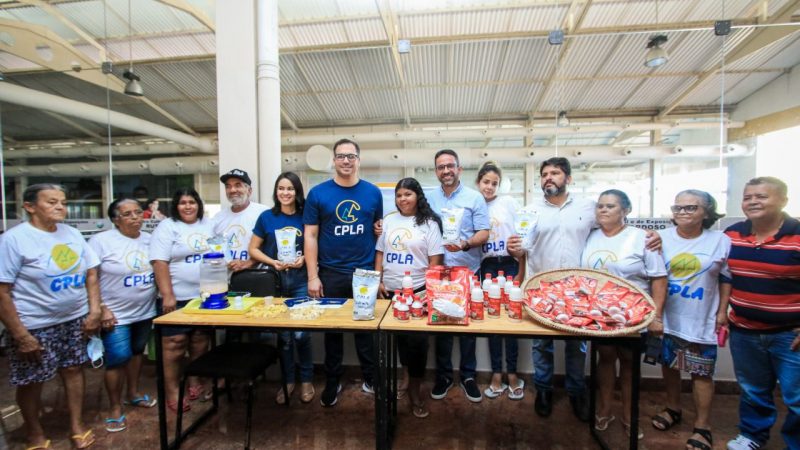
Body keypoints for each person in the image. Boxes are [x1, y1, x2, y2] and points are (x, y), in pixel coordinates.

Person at [0, 184, 103, 449]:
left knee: (73, 370)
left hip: (74, 319)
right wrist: (21, 335)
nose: (60, 207)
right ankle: (34, 432)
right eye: (52, 202)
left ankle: (76, 425)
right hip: (34, 324)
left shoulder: (72, 233)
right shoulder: (15, 239)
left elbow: (91, 273)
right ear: (30, 207)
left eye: (63, 202)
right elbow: (2, 291)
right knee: (33, 379)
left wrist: (94, 311)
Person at [507, 157, 595, 421]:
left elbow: (611, 231)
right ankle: (543, 390)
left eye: (555, 173)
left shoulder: (587, 207)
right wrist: (515, 250)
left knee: (577, 345)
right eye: (544, 174)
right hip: (541, 287)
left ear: (568, 178)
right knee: (541, 344)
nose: (548, 177)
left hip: (578, 290)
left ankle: (576, 391)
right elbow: (523, 249)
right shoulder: (529, 210)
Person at [581, 189, 667, 440]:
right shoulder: (591, 237)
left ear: (626, 210)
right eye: (600, 206)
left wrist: (656, 316)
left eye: (610, 206)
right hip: (598, 314)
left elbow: (659, 278)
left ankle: (630, 417)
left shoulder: (643, 238)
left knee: (630, 365)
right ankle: (604, 410)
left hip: (633, 314)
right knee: (605, 360)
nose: (603, 210)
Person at [304, 138, 383, 407]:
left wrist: (377, 272)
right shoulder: (318, 193)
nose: (346, 161)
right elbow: (311, 235)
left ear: (359, 160)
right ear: (334, 161)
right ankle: (333, 380)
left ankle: (372, 378)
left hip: (364, 273)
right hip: (330, 273)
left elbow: (378, 231)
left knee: (366, 332)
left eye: (351, 156)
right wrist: (312, 276)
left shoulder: (373, 193)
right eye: (341, 156)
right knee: (332, 332)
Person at [724, 177, 800, 450]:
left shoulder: (797, 234)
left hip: (790, 334)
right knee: (753, 390)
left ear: (783, 201)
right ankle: (753, 436)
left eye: (762, 196)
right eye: (748, 197)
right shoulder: (733, 234)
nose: (753, 201)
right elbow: (726, 276)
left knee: (796, 397)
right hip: (744, 329)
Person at [651, 190, 731, 450]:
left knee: (701, 372)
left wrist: (722, 312)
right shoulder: (660, 237)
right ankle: (673, 408)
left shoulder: (719, 241)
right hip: (668, 315)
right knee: (670, 366)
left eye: (690, 208)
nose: (682, 213)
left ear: (706, 212)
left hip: (701, 317)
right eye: (678, 208)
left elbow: (726, 279)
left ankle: (703, 426)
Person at [375, 177, 444, 418]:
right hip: (390, 293)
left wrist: (428, 290)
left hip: (417, 293)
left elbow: (436, 260)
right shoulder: (390, 220)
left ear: (418, 196)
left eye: (408, 194)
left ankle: (415, 391)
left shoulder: (429, 224)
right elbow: (380, 251)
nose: (403, 199)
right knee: (398, 342)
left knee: (418, 345)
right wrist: (378, 280)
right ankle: (405, 380)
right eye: (399, 195)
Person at [89, 199, 159, 433]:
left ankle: (133, 393)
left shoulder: (150, 240)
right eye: (127, 214)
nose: (135, 217)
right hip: (115, 315)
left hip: (144, 311)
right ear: (115, 219)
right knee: (117, 359)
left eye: (138, 213)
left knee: (137, 353)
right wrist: (100, 308)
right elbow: (90, 278)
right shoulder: (101, 241)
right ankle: (115, 408)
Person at [426, 149, 490, 403]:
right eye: (441, 167)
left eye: (450, 166)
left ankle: (468, 376)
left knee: (467, 329)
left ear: (459, 169)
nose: (446, 171)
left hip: (468, 271)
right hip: (439, 273)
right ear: (436, 171)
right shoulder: (429, 198)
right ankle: (443, 376)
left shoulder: (474, 198)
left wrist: (464, 244)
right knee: (441, 328)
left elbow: (484, 232)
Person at [249, 172, 314, 405]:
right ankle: (288, 381)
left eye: (290, 189)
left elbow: (315, 243)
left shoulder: (306, 216)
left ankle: (306, 379)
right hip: (274, 283)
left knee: (301, 334)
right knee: (284, 337)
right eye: (281, 189)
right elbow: (253, 249)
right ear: (276, 192)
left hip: (300, 281)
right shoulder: (267, 217)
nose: (285, 193)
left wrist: (304, 260)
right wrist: (272, 262)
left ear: (297, 192)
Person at [149, 188, 214, 413]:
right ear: (176, 206)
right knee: (174, 345)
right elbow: (159, 262)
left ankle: (195, 380)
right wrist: (167, 294)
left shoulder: (207, 224)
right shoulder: (167, 227)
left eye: (192, 202)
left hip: (204, 297)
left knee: (199, 341)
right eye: (183, 202)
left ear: (199, 204)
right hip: (176, 297)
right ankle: (173, 390)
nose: (188, 206)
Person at [476, 162, 526, 400]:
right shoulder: (473, 205)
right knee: (494, 322)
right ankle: (497, 372)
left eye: (494, 183)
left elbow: (523, 235)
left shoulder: (508, 203)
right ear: (478, 183)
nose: (490, 187)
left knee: (511, 321)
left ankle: (512, 373)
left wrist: (521, 269)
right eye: (486, 182)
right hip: (485, 268)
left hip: (509, 263)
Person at [212, 169, 268, 272]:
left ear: (249, 191)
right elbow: (216, 249)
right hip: (227, 279)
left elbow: (271, 244)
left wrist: (249, 262)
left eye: (238, 185)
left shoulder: (264, 213)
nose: (232, 190)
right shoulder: (218, 218)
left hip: (257, 277)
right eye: (228, 186)